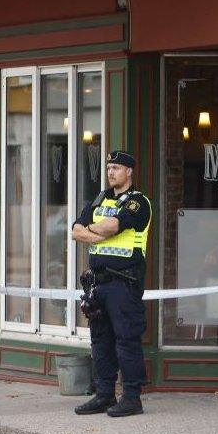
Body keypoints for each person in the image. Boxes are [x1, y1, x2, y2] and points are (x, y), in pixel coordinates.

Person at [70, 150, 152, 417]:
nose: (111, 172)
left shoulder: (138, 203)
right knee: (100, 341)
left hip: (124, 283)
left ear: (129, 172)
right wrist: (94, 233)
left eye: (116, 168)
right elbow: (75, 230)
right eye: (109, 168)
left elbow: (113, 227)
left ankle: (131, 397)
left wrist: (92, 232)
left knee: (126, 340)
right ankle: (104, 394)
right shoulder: (100, 199)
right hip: (98, 284)